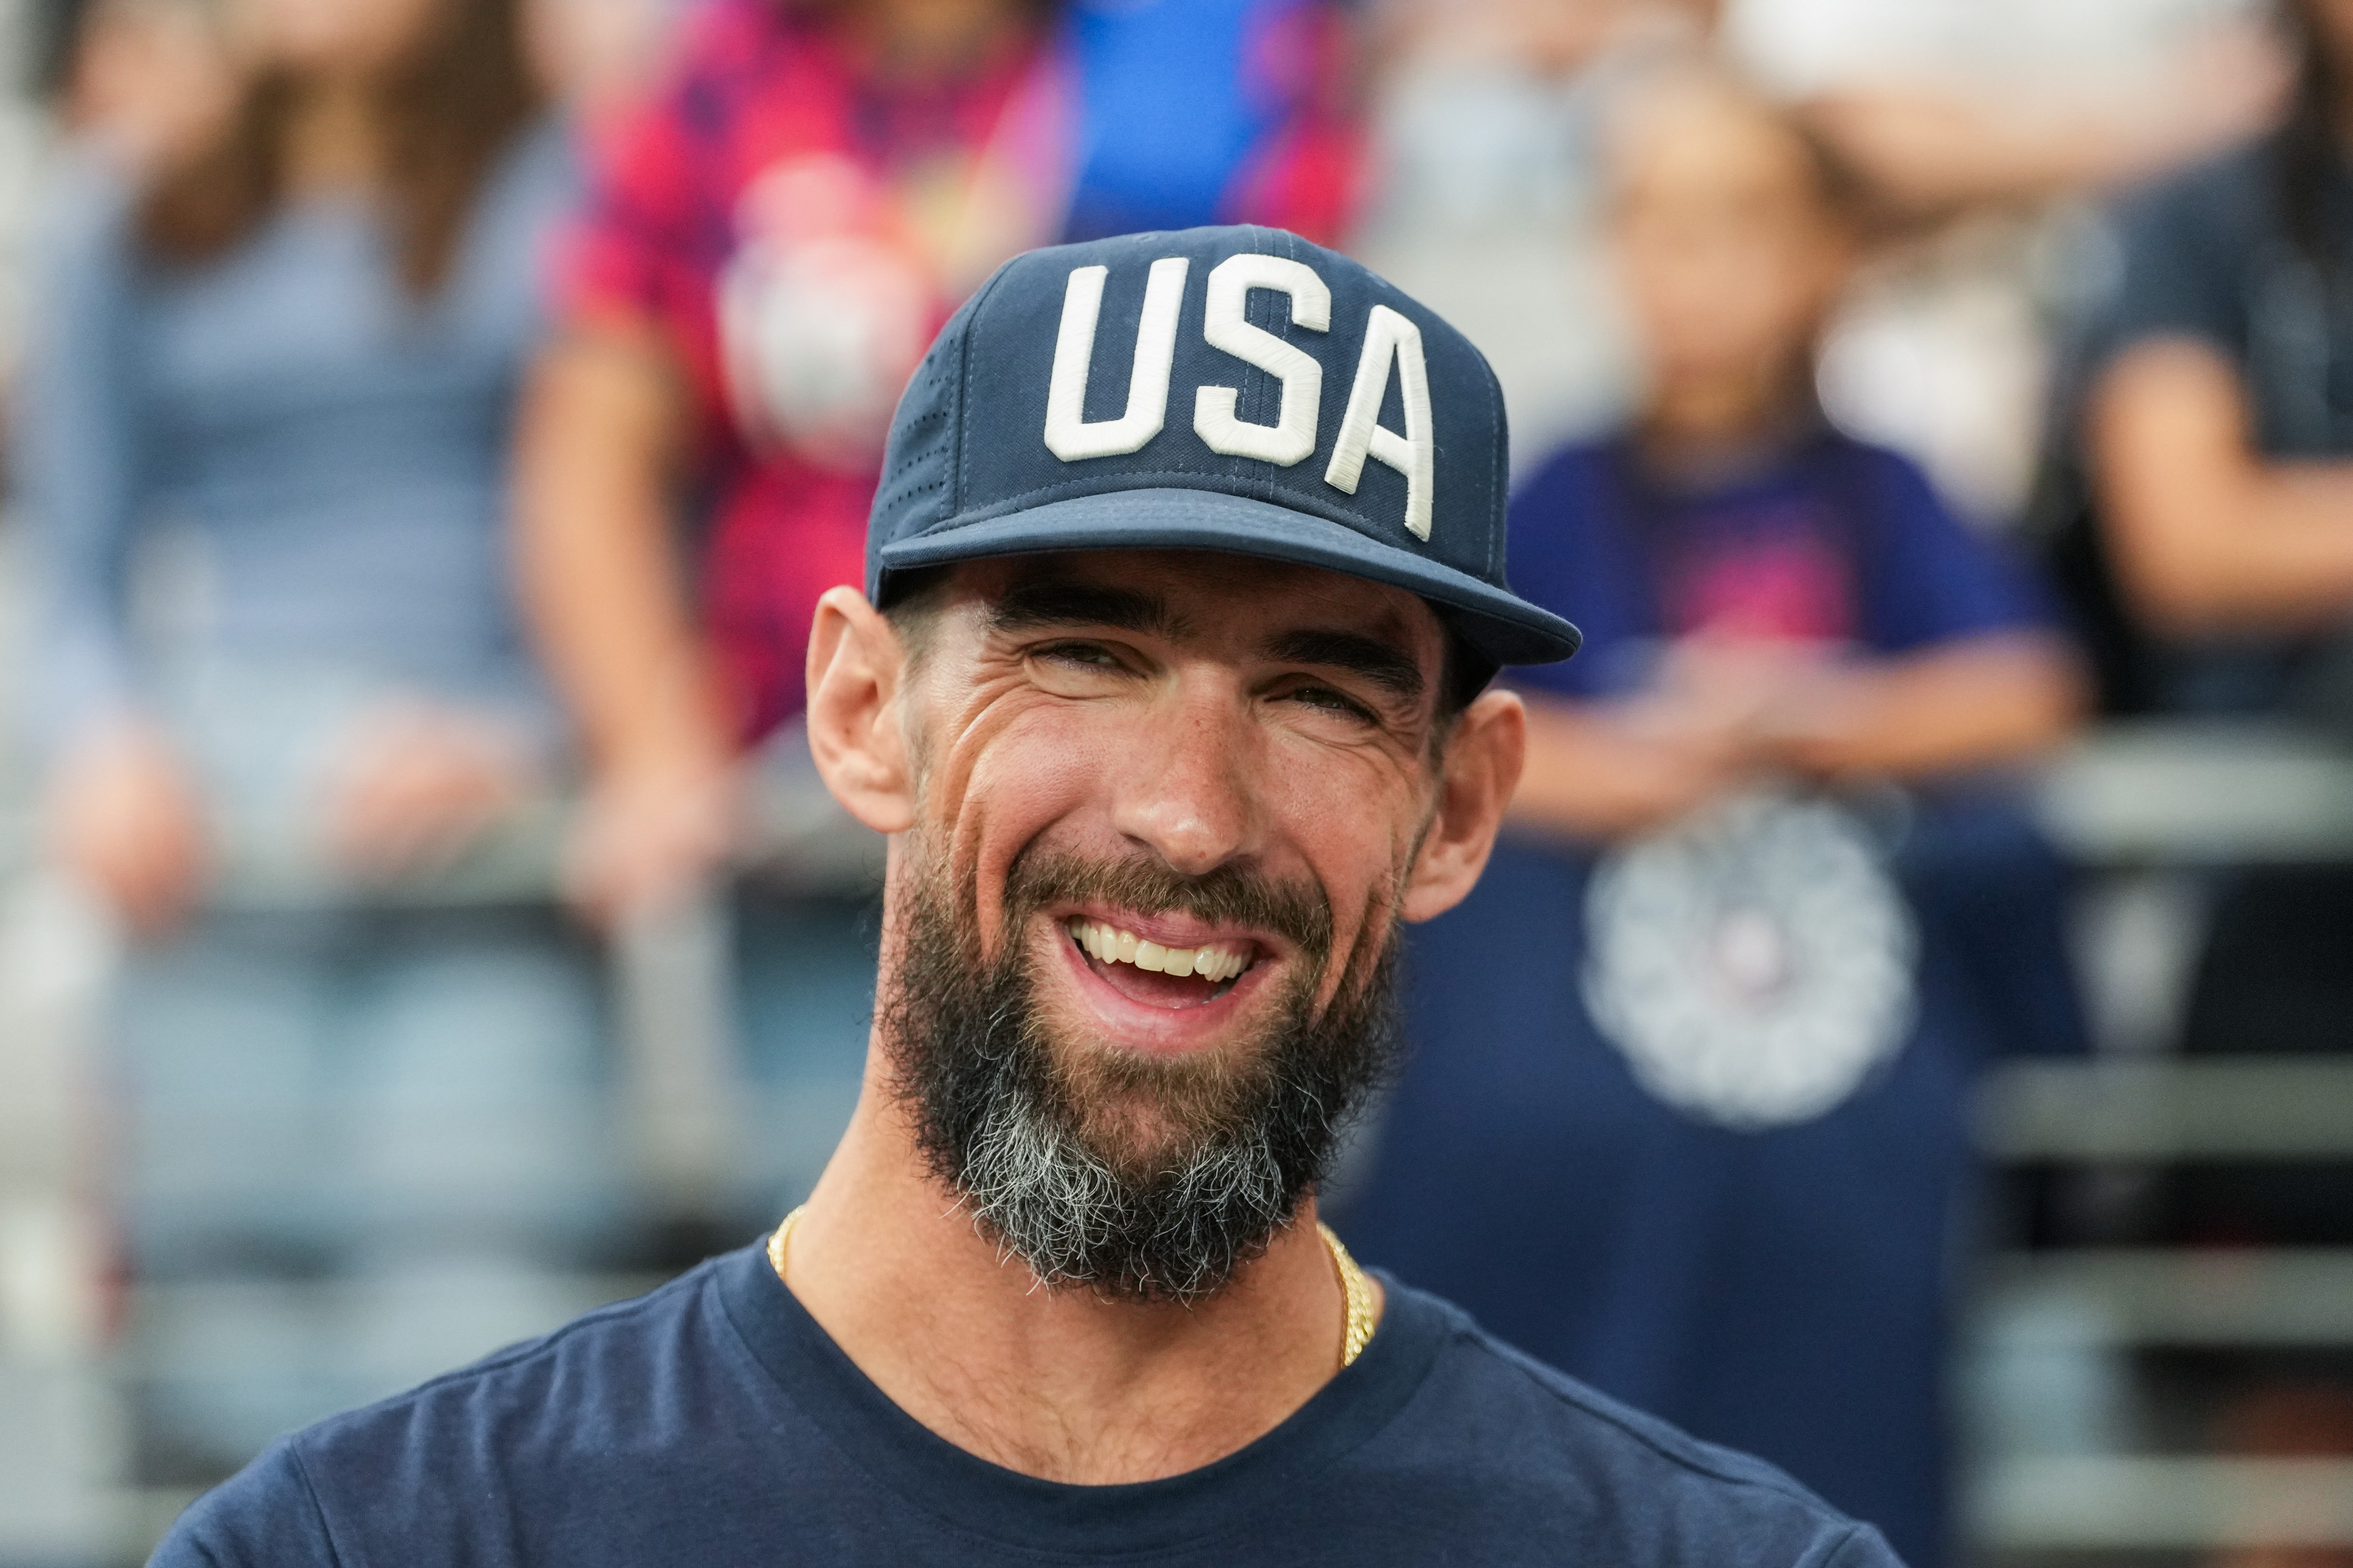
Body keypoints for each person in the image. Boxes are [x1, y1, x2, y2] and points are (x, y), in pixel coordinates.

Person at [150, 225, 1904, 1567]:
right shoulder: (379, 1545)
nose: (1190, 816)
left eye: (1318, 693)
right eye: (1083, 652)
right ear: (859, 713)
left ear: (1461, 806)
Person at [1332, 67, 2084, 1568]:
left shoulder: (1885, 497)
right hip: (1567, 1112)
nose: (1700, 266)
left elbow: (2027, 686)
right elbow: (1437, 718)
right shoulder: (1544, 492)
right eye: (1660, 224)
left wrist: (1815, 727)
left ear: (1825, 253)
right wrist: (1630, 772)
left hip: (1824, 1120)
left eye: (1742, 221)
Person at [18, 0, 609, 1468]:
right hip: (228, 866)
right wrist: (101, 743)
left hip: (490, 867)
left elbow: (638, 523)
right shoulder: (131, 211)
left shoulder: (578, 185)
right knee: (222, 1363)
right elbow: (68, 566)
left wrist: (523, 736)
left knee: (473, 1361)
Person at [516, 0, 1364, 928]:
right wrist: (651, 747)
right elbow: (590, 453)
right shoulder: (716, 86)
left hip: (1117, 794)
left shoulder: (1215, 65)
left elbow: (1293, 448)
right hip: (784, 806)